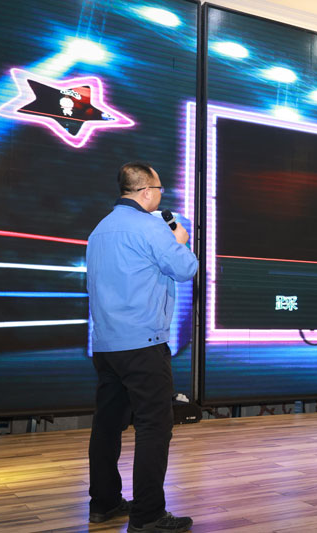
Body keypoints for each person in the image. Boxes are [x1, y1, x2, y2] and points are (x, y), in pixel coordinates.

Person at [86, 162, 198, 533]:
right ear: (146, 191)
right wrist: (180, 240)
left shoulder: (100, 230)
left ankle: (104, 503)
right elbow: (186, 269)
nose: (161, 196)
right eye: (160, 189)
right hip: (143, 344)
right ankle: (148, 514)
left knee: (107, 425)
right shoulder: (151, 227)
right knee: (154, 426)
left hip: (106, 344)